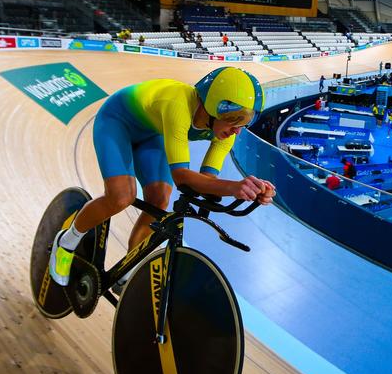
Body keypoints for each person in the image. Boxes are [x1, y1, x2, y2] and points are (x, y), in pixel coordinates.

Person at [48, 67, 276, 287]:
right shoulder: (177, 104)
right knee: (121, 196)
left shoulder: (227, 132)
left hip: (152, 133)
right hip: (116, 121)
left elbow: (208, 182)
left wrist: (251, 191)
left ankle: (126, 270)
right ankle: (67, 241)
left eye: (247, 120)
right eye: (235, 117)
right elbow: (182, 178)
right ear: (212, 105)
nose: (238, 129)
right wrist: (235, 186)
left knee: (159, 201)